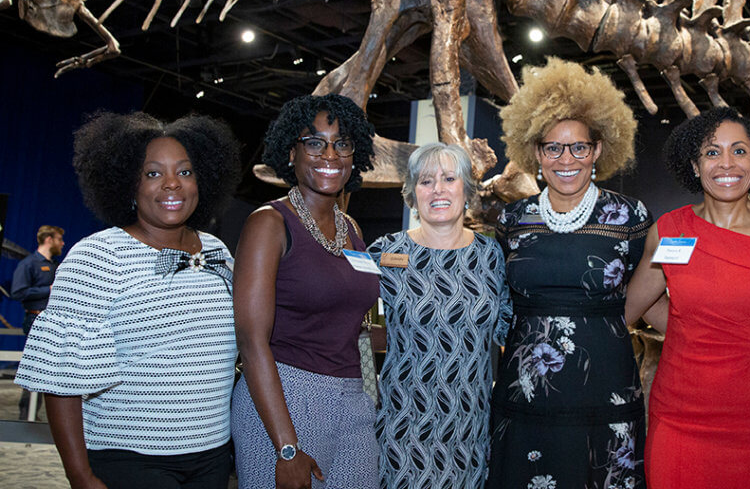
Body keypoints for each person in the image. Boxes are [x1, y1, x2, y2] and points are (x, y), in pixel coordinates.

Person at [15, 111, 241, 489]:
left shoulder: (218, 251)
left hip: (213, 457)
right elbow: (61, 380)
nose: (172, 184)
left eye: (185, 172)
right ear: (127, 184)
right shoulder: (98, 255)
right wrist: (80, 475)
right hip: (130, 460)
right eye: (153, 173)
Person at [624, 106, 750, 488]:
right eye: (712, 152)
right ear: (694, 166)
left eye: (739, 151)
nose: (727, 163)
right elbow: (632, 308)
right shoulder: (671, 230)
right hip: (680, 422)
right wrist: (687, 327)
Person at [486, 57, 651, 489]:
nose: (566, 159)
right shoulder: (513, 218)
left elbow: (650, 293)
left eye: (579, 146)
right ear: (536, 152)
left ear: (597, 149)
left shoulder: (629, 216)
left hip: (606, 385)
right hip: (526, 391)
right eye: (553, 147)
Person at [231, 94, 380, 489]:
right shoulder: (269, 223)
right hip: (287, 397)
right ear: (291, 153)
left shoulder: (353, 229)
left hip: (353, 398)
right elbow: (251, 340)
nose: (329, 154)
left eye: (342, 143)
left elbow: (356, 327)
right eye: (314, 143)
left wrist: (368, 395)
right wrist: (286, 446)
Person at [366, 143, 511, 487]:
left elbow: (510, 330)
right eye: (426, 181)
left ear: (466, 189)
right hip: (403, 424)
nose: (438, 190)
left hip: (470, 427)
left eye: (449, 178)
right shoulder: (385, 252)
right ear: (413, 193)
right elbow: (339, 319)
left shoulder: (492, 256)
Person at [11, 224, 64, 419]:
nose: (62, 243)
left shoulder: (56, 266)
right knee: (34, 368)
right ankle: (27, 414)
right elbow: (18, 292)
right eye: (59, 239)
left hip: (54, 321)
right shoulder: (29, 264)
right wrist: (47, 290)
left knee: (50, 370)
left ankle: (39, 413)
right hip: (35, 319)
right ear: (49, 239)